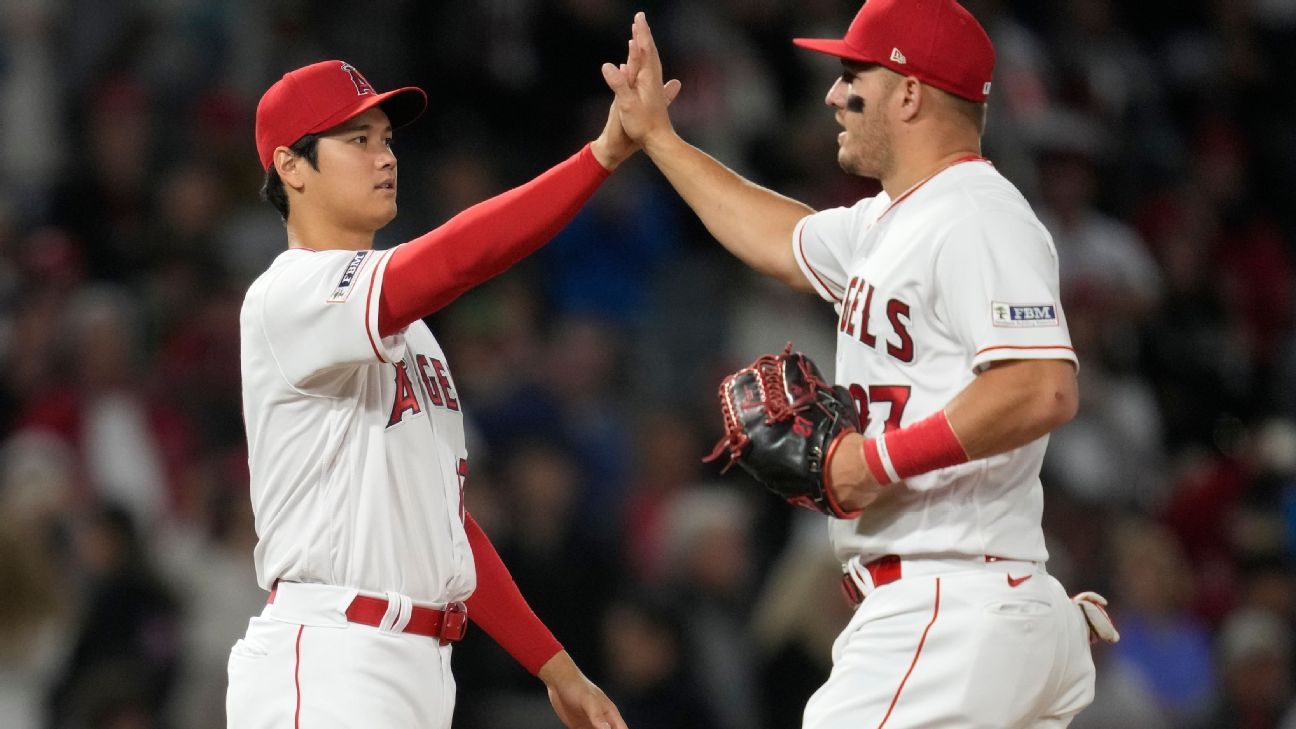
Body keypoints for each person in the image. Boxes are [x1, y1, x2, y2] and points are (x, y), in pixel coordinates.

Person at [603, 3, 1103, 727]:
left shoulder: (977, 216)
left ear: (908, 92)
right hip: (973, 607)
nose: (834, 94)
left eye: (851, 75)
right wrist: (660, 140)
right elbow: (778, 234)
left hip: (948, 604)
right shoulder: (892, 219)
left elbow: (1042, 386)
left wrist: (875, 460)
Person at [228, 59, 678, 729]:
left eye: (386, 138)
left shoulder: (414, 336)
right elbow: (460, 255)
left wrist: (555, 665)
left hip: (416, 665)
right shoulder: (288, 293)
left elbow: (444, 526)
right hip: (328, 654)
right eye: (357, 140)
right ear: (292, 166)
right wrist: (602, 154)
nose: (385, 156)